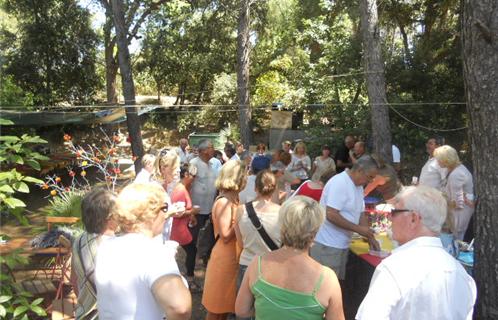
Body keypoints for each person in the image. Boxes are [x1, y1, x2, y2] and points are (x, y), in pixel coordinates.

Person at [356, 186, 476, 320]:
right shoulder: (461, 274)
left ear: (413, 218)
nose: (390, 218)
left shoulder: (394, 269)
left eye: (394, 212)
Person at [235, 196, 345, 320]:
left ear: (282, 227)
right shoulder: (327, 279)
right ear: (314, 232)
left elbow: (241, 311)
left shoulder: (258, 263)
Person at [95, 183, 191, 319]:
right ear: (149, 214)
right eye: (164, 208)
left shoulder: (105, 246)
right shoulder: (154, 253)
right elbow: (180, 307)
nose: (166, 214)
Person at [310, 156, 380, 281]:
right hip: (327, 245)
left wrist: (369, 236)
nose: (371, 181)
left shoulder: (358, 186)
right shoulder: (340, 183)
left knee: (336, 285)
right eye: (370, 177)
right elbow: (331, 214)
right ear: (359, 171)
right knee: (323, 287)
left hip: (340, 244)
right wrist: (359, 229)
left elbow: (360, 213)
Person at [202, 160, 247, 320]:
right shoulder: (224, 202)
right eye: (245, 174)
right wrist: (242, 219)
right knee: (216, 308)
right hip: (224, 259)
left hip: (233, 257)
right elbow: (226, 235)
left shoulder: (235, 200)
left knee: (226, 308)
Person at [72, 188, 117, 320]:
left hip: (83, 314)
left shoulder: (79, 240)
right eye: (119, 211)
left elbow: (74, 280)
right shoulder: (115, 247)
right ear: (109, 218)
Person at [235, 170, 281, 286]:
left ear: (255, 188)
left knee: (244, 303)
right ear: (274, 189)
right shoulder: (282, 213)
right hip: (272, 266)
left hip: (247, 263)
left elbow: (240, 243)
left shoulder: (241, 210)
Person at [170, 165, 202, 292]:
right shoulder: (180, 190)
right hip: (178, 229)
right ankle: (189, 280)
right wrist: (193, 211)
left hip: (181, 227)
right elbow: (176, 213)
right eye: (193, 176)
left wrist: (191, 215)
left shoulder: (183, 187)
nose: (194, 179)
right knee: (192, 251)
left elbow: (184, 207)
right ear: (186, 175)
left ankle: (186, 278)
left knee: (191, 251)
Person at [433, 145, 475, 240]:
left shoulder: (456, 174)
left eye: (438, 159)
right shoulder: (455, 169)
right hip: (458, 213)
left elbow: (457, 203)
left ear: (446, 160)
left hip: (459, 215)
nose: (437, 162)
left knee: (457, 241)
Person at [189, 139, 219, 261]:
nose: (213, 149)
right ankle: (193, 258)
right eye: (211, 147)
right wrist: (190, 208)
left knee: (208, 235)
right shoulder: (194, 163)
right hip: (197, 209)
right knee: (196, 236)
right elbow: (187, 184)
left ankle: (206, 256)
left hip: (210, 208)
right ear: (204, 150)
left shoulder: (212, 165)